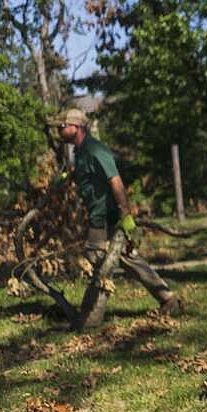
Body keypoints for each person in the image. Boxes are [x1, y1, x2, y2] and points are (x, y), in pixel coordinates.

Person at [55, 108, 180, 318]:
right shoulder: (81, 152)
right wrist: (67, 176)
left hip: (106, 216)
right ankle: (167, 298)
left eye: (62, 127)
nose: (59, 131)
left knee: (97, 257)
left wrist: (126, 214)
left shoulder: (96, 150)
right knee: (126, 258)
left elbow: (115, 181)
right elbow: (87, 178)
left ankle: (92, 313)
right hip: (97, 215)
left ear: (75, 127)